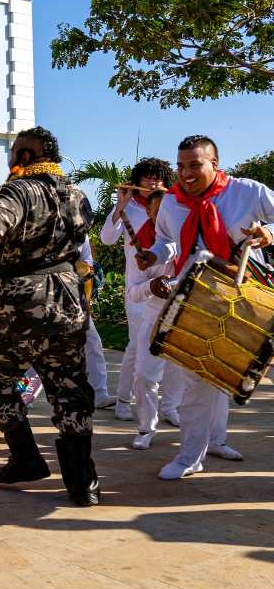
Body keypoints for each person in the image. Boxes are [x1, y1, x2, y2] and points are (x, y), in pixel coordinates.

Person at [0, 126, 100, 506]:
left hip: (21, 301)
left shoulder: (20, 188)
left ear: (27, 156)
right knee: (70, 387)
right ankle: (84, 483)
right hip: (67, 298)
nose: (11, 160)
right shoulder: (77, 193)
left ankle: (26, 457)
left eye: (15, 153)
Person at [137, 135, 274, 479]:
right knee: (198, 380)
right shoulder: (170, 202)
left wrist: (268, 232)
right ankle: (189, 457)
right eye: (181, 166)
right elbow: (168, 242)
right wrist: (155, 254)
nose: (186, 173)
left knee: (233, 373)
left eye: (195, 165)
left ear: (215, 163)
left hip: (249, 298)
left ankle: (219, 440)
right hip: (195, 298)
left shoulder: (248, 191)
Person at [100, 157, 181, 423]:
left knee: (170, 348)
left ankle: (169, 407)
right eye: (146, 177)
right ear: (136, 181)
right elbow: (107, 239)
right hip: (138, 287)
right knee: (136, 347)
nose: (152, 182)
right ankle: (123, 400)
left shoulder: (172, 205)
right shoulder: (129, 208)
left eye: (157, 178)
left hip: (168, 284)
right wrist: (120, 206)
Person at [77, 239, 116, 409]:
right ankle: (26, 395)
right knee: (39, 344)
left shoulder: (80, 230)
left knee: (93, 343)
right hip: (48, 294)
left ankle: (99, 394)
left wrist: (83, 267)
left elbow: (88, 260)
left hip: (75, 297)